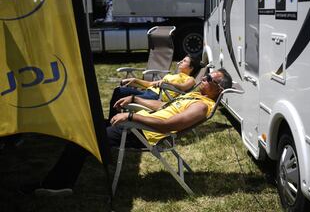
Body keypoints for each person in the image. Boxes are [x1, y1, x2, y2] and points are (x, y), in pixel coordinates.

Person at [31, 68, 232, 196]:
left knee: (85, 135)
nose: (203, 79)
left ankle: (57, 185)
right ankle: (64, 176)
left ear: (217, 89)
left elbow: (170, 124)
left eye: (208, 79)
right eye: (205, 76)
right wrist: (136, 100)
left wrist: (131, 117)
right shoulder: (194, 97)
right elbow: (163, 105)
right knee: (89, 125)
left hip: (143, 133)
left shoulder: (201, 106)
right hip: (140, 126)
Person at [108, 54, 201, 121]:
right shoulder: (172, 75)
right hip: (147, 92)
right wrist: (135, 80)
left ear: (191, 67)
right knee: (118, 91)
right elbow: (149, 84)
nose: (180, 62)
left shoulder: (190, 79)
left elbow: (183, 88)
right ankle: (112, 119)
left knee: (127, 98)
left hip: (156, 98)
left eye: (184, 61)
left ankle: (114, 123)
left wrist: (167, 83)